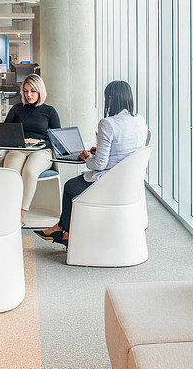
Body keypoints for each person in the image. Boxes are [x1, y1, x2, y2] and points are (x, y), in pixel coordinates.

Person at [36, 81, 148, 246]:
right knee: (75, 185)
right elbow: (127, 149)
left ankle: (65, 232)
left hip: (109, 183)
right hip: (129, 182)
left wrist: (86, 157)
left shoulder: (108, 123)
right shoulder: (139, 120)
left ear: (110, 99)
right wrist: (100, 150)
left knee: (70, 187)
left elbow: (99, 165)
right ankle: (62, 230)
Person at [2, 74, 60, 223]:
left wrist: (38, 142)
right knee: (12, 171)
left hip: (42, 150)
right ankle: (8, 209)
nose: (29, 95)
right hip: (18, 148)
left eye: (33, 91)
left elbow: (57, 140)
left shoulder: (50, 111)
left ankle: (20, 214)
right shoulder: (16, 109)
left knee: (30, 170)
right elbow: (4, 133)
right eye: (26, 91)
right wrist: (19, 140)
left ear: (40, 91)